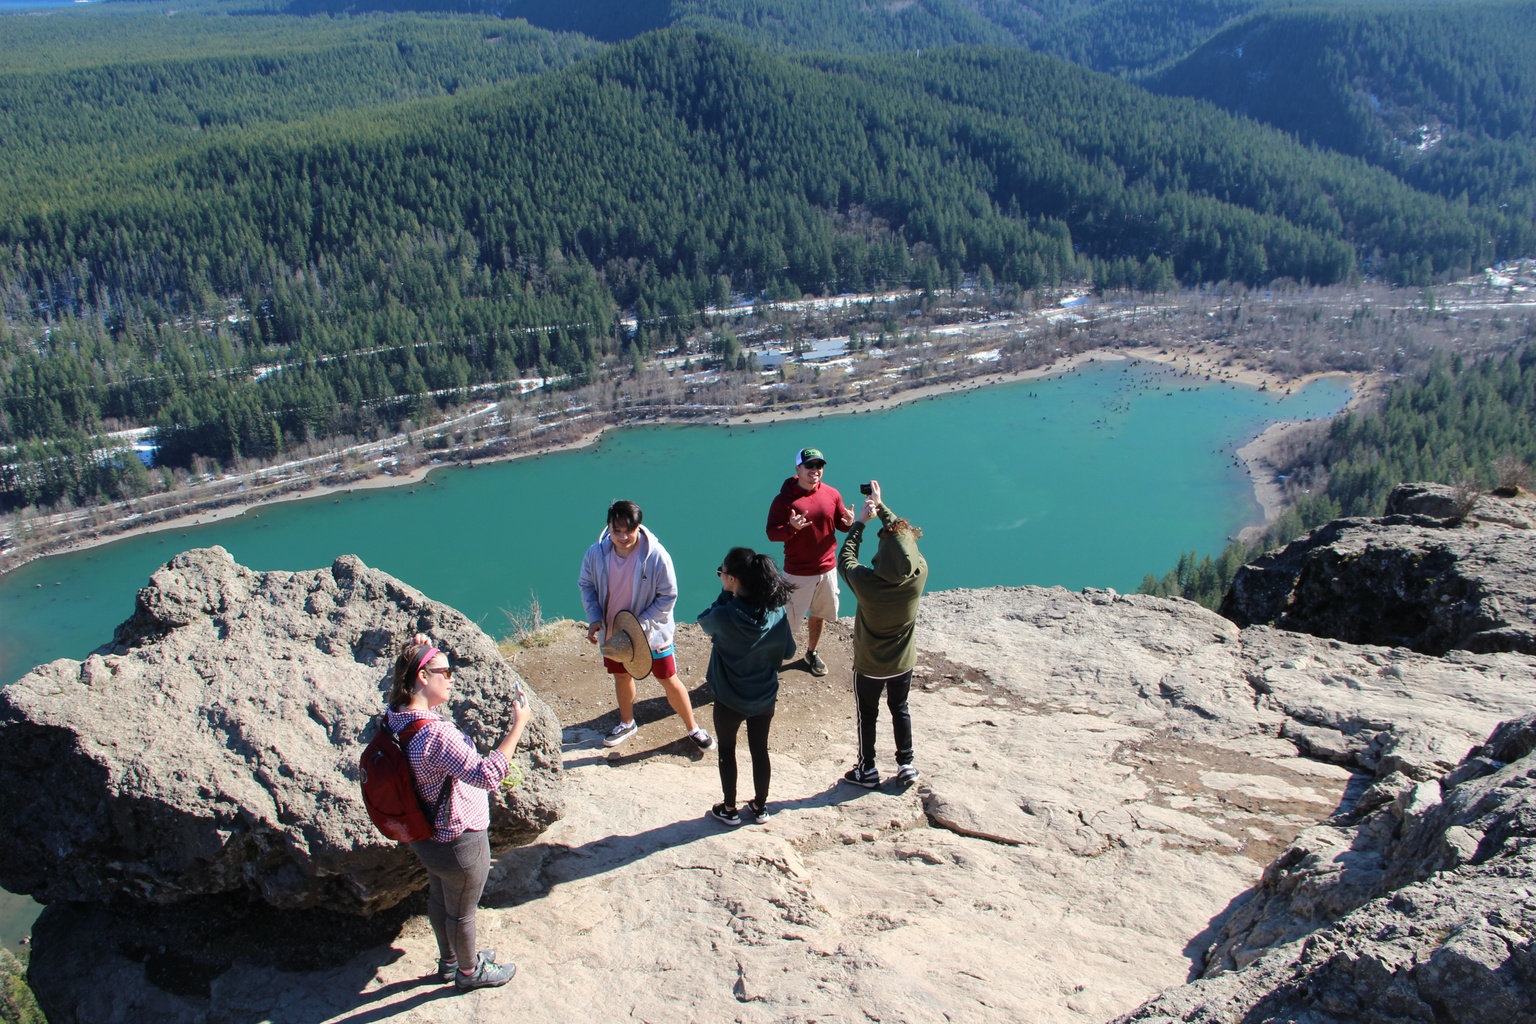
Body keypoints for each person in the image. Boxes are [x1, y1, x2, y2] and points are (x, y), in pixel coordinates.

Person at [385, 636, 529, 991]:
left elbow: (408, 678)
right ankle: (469, 972)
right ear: (421, 676)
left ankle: (449, 962)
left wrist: (421, 647)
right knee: (463, 911)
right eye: (444, 672)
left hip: (425, 835)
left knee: (440, 895)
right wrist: (518, 725)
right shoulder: (436, 735)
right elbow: (487, 775)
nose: (451, 678)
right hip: (459, 840)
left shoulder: (395, 717)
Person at [579, 499, 714, 751]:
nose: (622, 536)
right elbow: (586, 584)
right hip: (615, 633)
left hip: (652, 633)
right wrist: (595, 617)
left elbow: (668, 596)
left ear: (638, 526)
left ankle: (693, 727)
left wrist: (638, 626)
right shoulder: (596, 554)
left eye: (628, 530)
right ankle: (627, 722)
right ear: (608, 527)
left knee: (668, 677)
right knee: (621, 675)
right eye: (616, 530)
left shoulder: (656, 555)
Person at [836, 480, 929, 788]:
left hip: (870, 665)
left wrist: (861, 523)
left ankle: (868, 769)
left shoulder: (867, 583)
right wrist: (883, 507)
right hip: (903, 663)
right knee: (900, 709)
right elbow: (906, 545)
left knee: (868, 714)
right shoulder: (918, 575)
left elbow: (846, 559)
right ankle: (906, 764)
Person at [697, 547, 797, 826]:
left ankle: (729, 810)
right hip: (764, 698)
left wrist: (724, 596)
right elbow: (788, 652)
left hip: (729, 700)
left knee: (727, 750)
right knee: (759, 750)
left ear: (733, 580)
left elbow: (704, 621)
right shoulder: (776, 612)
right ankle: (760, 807)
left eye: (723, 574)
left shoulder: (725, 615)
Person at [765, 447, 855, 676]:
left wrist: (848, 522)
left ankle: (811, 653)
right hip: (797, 572)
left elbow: (840, 524)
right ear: (798, 468)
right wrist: (791, 528)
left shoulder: (832, 494)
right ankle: (772, 659)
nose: (815, 470)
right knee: (787, 621)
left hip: (827, 568)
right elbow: (772, 533)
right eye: (809, 466)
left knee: (820, 613)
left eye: (819, 466)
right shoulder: (784, 501)